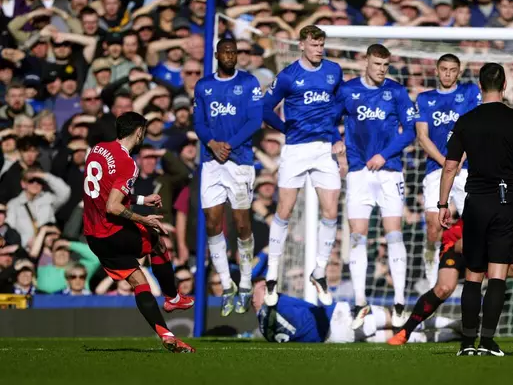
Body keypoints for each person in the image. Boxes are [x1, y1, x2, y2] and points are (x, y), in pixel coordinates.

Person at [438, 63, 513, 356]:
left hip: (476, 202)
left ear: (480, 86)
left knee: (473, 274)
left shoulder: (466, 120)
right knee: (497, 275)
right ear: (505, 84)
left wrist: (443, 204)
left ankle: (466, 343)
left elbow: (450, 167)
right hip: (506, 201)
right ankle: (487, 342)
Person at [82, 112, 195, 353]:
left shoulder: (97, 150)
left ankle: (166, 335)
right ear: (139, 132)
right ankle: (173, 298)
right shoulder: (128, 162)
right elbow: (113, 206)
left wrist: (142, 198)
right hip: (112, 231)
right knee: (156, 241)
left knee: (138, 281)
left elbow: (105, 191)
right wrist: (144, 218)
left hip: (94, 236)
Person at [388, 201, 513, 346]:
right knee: (444, 288)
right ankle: (405, 331)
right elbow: (463, 244)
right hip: (458, 244)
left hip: (493, 246)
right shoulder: (487, 199)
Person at [261, 25, 345, 306]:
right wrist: (285, 128)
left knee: (331, 211)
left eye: (321, 44)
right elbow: (264, 107)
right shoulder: (288, 76)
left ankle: (319, 271)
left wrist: (336, 136)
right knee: (284, 209)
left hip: (324, 150)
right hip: (296, 149)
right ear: (301, 45)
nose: (318, 49)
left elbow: (337, 106)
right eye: (313, 44)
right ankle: (272, 273)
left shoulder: (333, 71)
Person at [334, 43, 417, 328]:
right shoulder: (347, 90)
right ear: (365, 62)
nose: (382, 70)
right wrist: (337, 142)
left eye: (386, 65)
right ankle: (360, 302)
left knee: (394, 234)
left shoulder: (396, 91)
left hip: (390, 172)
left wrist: (385, 154)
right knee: (358, 237)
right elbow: (330, 120)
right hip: (358, 173)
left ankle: (399, 301)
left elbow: (411, 131)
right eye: (377, 64)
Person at [193, 38, 263, 316]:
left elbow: (255, 121)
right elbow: (199, 122)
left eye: (234, 52)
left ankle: (245, 281)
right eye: (226, 52)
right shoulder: (204, 86)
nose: (231, 56)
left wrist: (229, 144)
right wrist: (212, 143)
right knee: (212, 222)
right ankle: (226, 284)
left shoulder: (249, 83)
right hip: (212, 163)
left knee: (242, 223)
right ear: (217, 54)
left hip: (240, 162)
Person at [250, 254, 459, 344]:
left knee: (404, 339)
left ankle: (452, 335)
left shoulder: (266, 330)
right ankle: (455, 324)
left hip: (333, 339)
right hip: (335, 317)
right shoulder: (273, 303)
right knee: (401, 320)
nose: (264, 288)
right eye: (260, 288)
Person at [416, 53, 481, 289]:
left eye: (453, 70)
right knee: (433, 227)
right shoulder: (424, 99)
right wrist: (446, 161)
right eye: (444, 69)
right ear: (436, 70)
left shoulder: (470, 93)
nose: (448, 74)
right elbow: (422, 137)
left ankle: (473, 279)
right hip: (437, 169)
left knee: (476, 226)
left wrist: (459, 158)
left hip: (466, 169)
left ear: (459, 71)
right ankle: (432, 278)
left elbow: (476, 129)